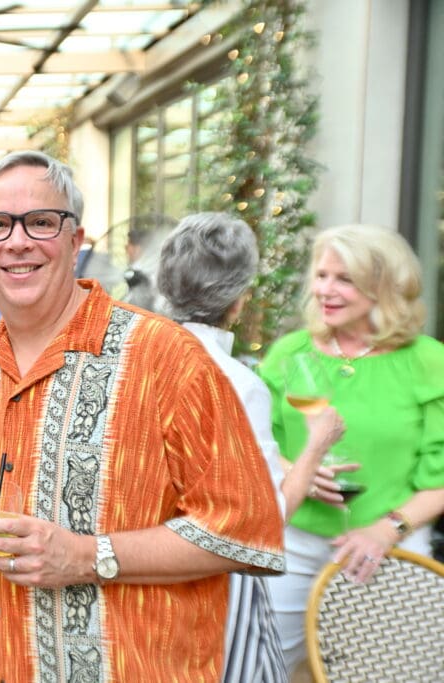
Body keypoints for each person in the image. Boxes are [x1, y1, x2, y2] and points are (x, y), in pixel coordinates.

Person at [0, 151, 286, 682]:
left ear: (76, 242)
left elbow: (247, 532)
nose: (17, 241)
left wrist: (87, 555)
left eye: (41, 222)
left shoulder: (165, 357)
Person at [156, 212, 346, 682]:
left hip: (141, 575)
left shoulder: (135, 357)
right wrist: (314, 449)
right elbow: (265, 517)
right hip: (215, 581)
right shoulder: (238, 383)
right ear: (239, 301)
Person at [257, 224, 444, 675]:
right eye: (321, 276)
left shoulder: (427, 360)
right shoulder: (290, 352)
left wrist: (387, 529)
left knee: (386, 673)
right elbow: (251, 440)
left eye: (344, 279)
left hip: (390, 546)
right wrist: (294, 468)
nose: (325, 290)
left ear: (383, 287)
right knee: (260, 668)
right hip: (292, 542)